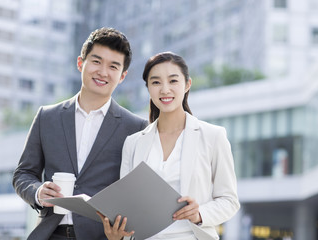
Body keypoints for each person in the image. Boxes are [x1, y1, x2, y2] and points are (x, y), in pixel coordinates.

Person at [12, 27, 148, 240]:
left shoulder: (136, 127)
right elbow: (23, 173)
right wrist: (38, 192)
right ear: (80, 63)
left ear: (122, 76)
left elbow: (136, 193)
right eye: (96, 61)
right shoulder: (47, 117)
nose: (103, 72)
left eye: (113, 66)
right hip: (50, 234)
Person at [98, 52, 240, 240]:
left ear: (187, 85)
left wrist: (200, 214)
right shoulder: (133, 143)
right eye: (156, 82)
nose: (165, 90)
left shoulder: (213, 136)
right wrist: (117, 235)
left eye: (173, 81)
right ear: (148, 87)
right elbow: (127, 207)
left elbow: (230, 201)